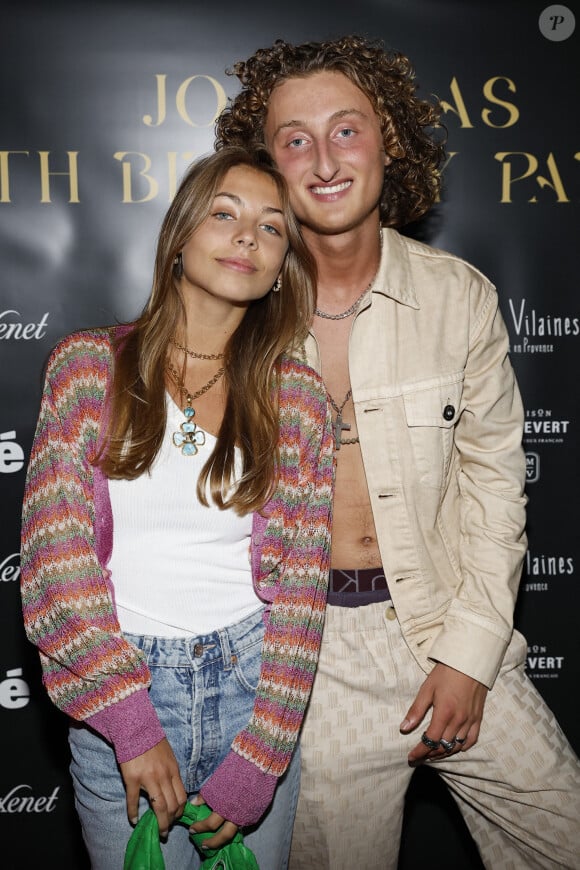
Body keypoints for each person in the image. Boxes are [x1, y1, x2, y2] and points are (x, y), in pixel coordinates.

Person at [214, 35, 580, 870]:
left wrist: (469, 657)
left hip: (448, 626)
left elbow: (496, 489)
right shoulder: (233, 314)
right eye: (293, 139)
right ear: (265, 164)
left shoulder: (459, 299)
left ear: (388, 140)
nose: (324, 159)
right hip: (309, 663)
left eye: (346, 130)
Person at [20, 145, 334, 870]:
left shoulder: (301, 403)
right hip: (119, 690)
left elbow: (302, 595)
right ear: (181, 236)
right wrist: (131, 723)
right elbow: (55, 563)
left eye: (271, 227)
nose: (247, 237)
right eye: (225, 214)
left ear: (282, 263)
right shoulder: (87, 370)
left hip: (256, 690)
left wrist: (264, 754)